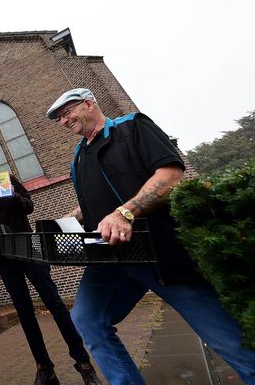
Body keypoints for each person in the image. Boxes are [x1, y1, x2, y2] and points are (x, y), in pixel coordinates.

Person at [46, 87, 255, 385]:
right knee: (87, 319)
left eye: (67, 113)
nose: (64, 121)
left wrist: (125, 212)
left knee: (225, 340)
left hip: (157, 253)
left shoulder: (132, 127)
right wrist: (73, 215)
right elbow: (95, 198)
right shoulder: (78, 158)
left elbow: (169, 175)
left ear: (89, 104)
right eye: (59, 119)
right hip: (110, 260)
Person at [0, 155, 101, 385]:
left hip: (28, 248)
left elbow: (29, 206)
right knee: (24, 312)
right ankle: (44, 369)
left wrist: (12, 194)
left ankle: (83, 364)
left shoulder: (6, 179)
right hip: (3, 256)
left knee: (55, 304)